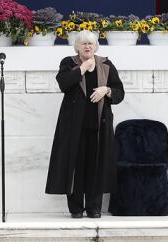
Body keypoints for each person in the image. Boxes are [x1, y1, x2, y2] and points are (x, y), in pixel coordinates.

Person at [45, 30, 125, 218]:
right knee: (75, 167)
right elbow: (63, 83)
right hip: (74, 126)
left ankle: (93, 208)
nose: (88, 46)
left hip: (99, 127)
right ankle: (76, 209)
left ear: (96, 46)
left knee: (96, 167)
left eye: (91, 43)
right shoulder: (69, 63)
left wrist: (107, 90)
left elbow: (119, 92)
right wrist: (82, 68)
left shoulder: (106, 64)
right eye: (84, 44)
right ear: (77, 47)